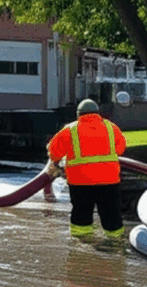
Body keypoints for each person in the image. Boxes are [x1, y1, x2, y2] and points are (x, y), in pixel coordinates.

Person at [45, 99, 127, 239]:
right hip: (109, 180)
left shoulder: (70, 129)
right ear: (98, 113)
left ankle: (81, 245)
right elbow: (120, 149)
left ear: (78, 114)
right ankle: (116, 244)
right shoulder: (111, 128)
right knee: (111, 215)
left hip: (80, 182)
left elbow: (53, 152)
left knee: (81, 216)